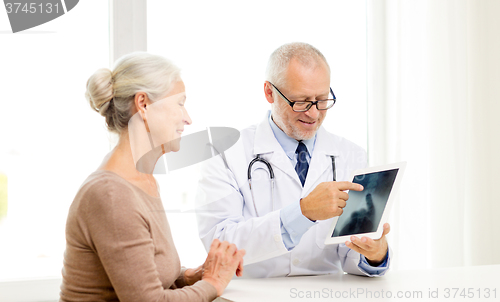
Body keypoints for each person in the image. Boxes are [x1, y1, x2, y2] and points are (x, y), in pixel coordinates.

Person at [60, 52, 245, 302]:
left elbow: (143, 275)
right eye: (180, 103)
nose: (187, 118)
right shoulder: (112, 194)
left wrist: (191, 276)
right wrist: (213, 283)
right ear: (144, 104)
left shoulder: (141, 181)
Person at [195, 42, 391, 278]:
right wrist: (303, 212)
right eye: (301, 101)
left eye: (322, 100)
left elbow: (349, 254)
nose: (314, 113)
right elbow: (219, 243)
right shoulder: (225, 153)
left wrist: (375, 252)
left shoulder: (351, 154)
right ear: (269, 92)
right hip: (253, 295)